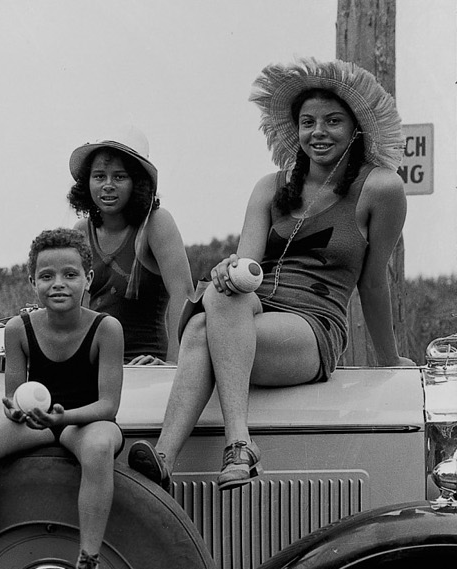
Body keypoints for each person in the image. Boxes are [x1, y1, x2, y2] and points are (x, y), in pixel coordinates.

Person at [128, 58, 412, 492]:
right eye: (308, 122)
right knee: (216, 304)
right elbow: (248, 271)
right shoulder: (268, 187)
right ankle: (199, 451)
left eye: (333, 121)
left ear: (355, 128)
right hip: (252, 312)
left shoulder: (382, 188)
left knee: (206, 328)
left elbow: (373, 282)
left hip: (312, 324)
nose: (319, 132)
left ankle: (205, 448)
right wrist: (227, 272)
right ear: (296, 131)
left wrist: (390, 359)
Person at [0, 230, 124, 569]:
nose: (58, 284)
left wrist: (64, 416)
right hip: (42, 421)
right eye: (46, 276)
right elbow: (15, 396)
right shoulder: (19, 328)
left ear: (88, 279)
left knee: (97, 448)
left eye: (69, 274)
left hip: (87, 420)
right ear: (32, 282)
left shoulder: (106, 329)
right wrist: (14, 411)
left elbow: (109, 406)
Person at [67, 130, 193, 363]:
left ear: (137, 181)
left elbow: (183, 294)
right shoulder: (82, 231)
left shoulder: (155, 223)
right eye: (99, 176)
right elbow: (78, 305)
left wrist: (174, 366)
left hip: (145, 365)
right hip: (97, 365)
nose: (108, 185)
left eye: (119, 177)